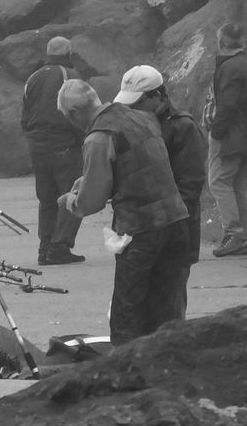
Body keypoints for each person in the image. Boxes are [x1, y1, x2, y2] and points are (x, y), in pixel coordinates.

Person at [57, 79, 188, 345]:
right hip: (176, 221)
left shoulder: (98, 137)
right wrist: (93, 178)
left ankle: (128, 378)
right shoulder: (143, 117)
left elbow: (91, 202)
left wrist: (71, 200)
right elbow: (138, 162)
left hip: (142, 231)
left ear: (73, 114)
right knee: (168, 315)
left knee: (128, 320)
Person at [116, 64, 206, 320]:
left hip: (176, 232)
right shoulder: (132, 125)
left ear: (158, 96)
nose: (130, 109)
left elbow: (191, 185)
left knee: (168, 308)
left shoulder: (182, 128)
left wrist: (170, 227)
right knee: (136, 308)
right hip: (140, 232)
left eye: (137, 103)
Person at [20, 36, 85, 266]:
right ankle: (59, 247)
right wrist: (82, 141)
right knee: (71, 194)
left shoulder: (33, 78)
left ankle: (45, 247)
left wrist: (32, 139)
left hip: (37, 147)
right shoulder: (70, 75)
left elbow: (25, 115)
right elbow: (79, 110)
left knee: (46, 198)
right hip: (64, 144)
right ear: (69, 53)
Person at [205, 22, 247, 258]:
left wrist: (217, 132)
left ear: (221, 42)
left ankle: (234, 234)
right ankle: (240, 236)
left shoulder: (230, 67)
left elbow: (228, 104)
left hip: (232, 136)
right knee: (237, 185)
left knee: (219, 182)